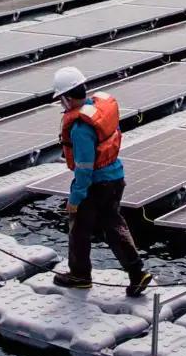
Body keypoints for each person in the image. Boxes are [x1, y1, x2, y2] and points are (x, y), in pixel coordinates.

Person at [51, 66, 152, 294]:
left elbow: (84, 169)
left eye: (61, 99)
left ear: (67, 98)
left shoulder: (80, 128)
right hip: (115, 177)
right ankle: (137, 273)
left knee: (78, 228)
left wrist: (75, 199)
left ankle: (79, 275)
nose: (60, 104)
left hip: (95, 185)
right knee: (114, 225)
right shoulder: (98, 111)